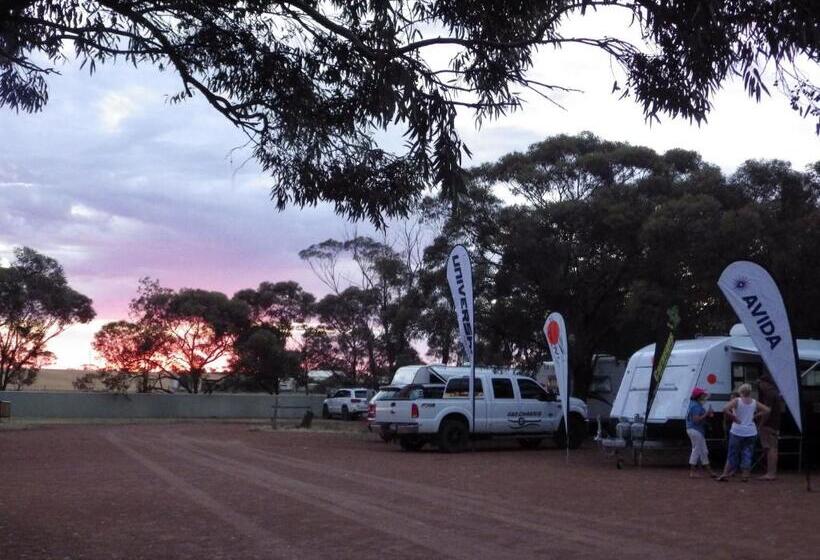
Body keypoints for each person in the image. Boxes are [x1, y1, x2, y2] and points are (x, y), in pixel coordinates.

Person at [717, 383, 770, 482]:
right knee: (747, 453)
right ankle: (745, 475)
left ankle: (725, 474)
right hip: (751, 431)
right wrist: (756, 415)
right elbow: (767, 410)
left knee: (732, 453)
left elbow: (725, 409)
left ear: (741, 392)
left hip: (737, 430)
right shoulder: (754, 402)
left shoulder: (737, 401)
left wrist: (734, 417)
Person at [686, 387, 716, 478]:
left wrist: (707, 414)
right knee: (697, 450)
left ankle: (710, 471)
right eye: (703, 395)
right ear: (698, 396)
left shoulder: (694, 404)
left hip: (695, 430)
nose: (704, 397)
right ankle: (692, 471)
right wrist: (707, 414)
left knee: (703, 451)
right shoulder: (696, 406)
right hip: (696, 430)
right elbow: (696, 420)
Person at [757, 373, 782, 480]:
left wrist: (761, 424)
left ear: (765, 383)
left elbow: (767, 411)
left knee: (770, 448)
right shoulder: (775, 393)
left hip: (768, 425)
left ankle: (770, 473)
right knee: (773, 448)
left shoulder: (768, 394)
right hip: (775, 424)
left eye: (761, 383)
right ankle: (771, 472)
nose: (760, 385)